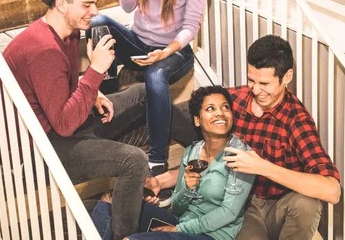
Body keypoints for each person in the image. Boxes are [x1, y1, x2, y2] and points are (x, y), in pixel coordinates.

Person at [3, 0, 151, 240]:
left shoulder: (68, 33)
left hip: (63, 122)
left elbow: (61, 92)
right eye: (86, 4)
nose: (94, 11)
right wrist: (95, 72)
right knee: (133, 161)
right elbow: (64, 124)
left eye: (94, 3)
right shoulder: (43, 49)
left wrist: (91, 92)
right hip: (45, 148)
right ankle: (126, 237)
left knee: (143, 93)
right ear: (61, 3)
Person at [89, 0, 209, 177]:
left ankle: (157, 158)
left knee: (156, 74)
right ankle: (103, 103)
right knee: (98, 22)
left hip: (173, 51)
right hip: (139, 42)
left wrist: (167, 51)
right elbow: (129, 6)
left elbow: (192, 25)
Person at [91, 86, 255, 240]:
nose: (220, 113)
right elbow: (177, 208)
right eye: (210, 108)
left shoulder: (241, 155)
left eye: (225, 107)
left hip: (211, 235)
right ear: (197, 120)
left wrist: (180, 230)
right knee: (109, 205)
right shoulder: (192, 151)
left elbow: (229, 212)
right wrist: (187, 189)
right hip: (181, 223)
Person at [223, 35, 341, 240]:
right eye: (251, 80)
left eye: (265, 83)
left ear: (287, 77)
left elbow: (332, 191)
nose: (256, 90)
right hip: (243, 206)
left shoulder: (297, 120)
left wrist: (262, 167)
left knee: (307, 204)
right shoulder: (233, 99)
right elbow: (197, 125)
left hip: (280, 207)